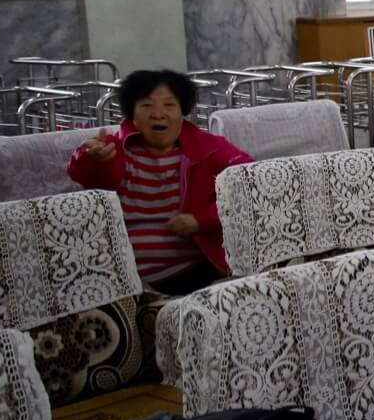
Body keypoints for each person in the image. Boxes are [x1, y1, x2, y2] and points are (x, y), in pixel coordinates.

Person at [67, 68, 251, 293]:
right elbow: (83, 175)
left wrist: (200, 220)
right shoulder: (114, 151)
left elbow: (249, 184)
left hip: (194, 270)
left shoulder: (209, 149)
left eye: (169, 105)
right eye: (146, 105)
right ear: (132, 116)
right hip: (122, 276)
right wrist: (90, 158)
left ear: (182, 113)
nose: (158, 113)